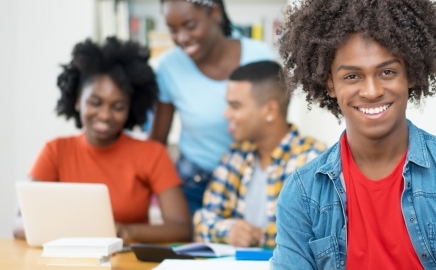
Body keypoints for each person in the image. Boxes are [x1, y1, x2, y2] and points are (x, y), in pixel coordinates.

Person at [270, 0, 436, 269]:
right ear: (330, 83)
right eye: (352, 76)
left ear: (410, 74)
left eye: (387, 72)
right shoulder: (302, 194)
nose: (372, 91)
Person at [14, 37, 191, 244]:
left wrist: (126, 232)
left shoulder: (152, 154)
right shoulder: (55, 150)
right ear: (78, 101)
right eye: (95, 103)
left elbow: (181, 228)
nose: (105, 115)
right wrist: (82, 231)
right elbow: (19, 224)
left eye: (118, 107)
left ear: (130, 108)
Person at [150, 0, 274, 217]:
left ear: (215, 13)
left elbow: (275, 125)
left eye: (190, 26)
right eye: (172, 30)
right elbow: (156, 143)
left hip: (252, 180)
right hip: (195, 184)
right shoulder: (169, 67)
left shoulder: (259, 56)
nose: (182, 38)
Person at [193, 61, 326, 248]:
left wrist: (255, 237)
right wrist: (230, 231)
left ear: (270, 110)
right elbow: (202, 221)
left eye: (235, 106)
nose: (226, 114)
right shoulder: (235, 156)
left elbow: (319, 236)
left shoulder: (313, 160)